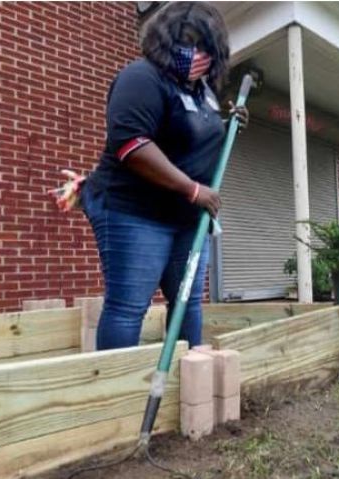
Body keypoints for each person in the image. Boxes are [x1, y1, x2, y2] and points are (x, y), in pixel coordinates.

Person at [79, 2, 248, 350]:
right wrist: (193, 190)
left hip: (187, 220)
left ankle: (186, 385)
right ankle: (120, 394)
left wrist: (229, 125)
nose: (196, 53)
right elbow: (131, 144)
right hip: (134, 212)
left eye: (205, 46)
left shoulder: (204, 94)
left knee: (187, 304)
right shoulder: (141, 77)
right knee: (128, 308)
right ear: (164, 40)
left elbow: (195, 142)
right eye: (187, 41)